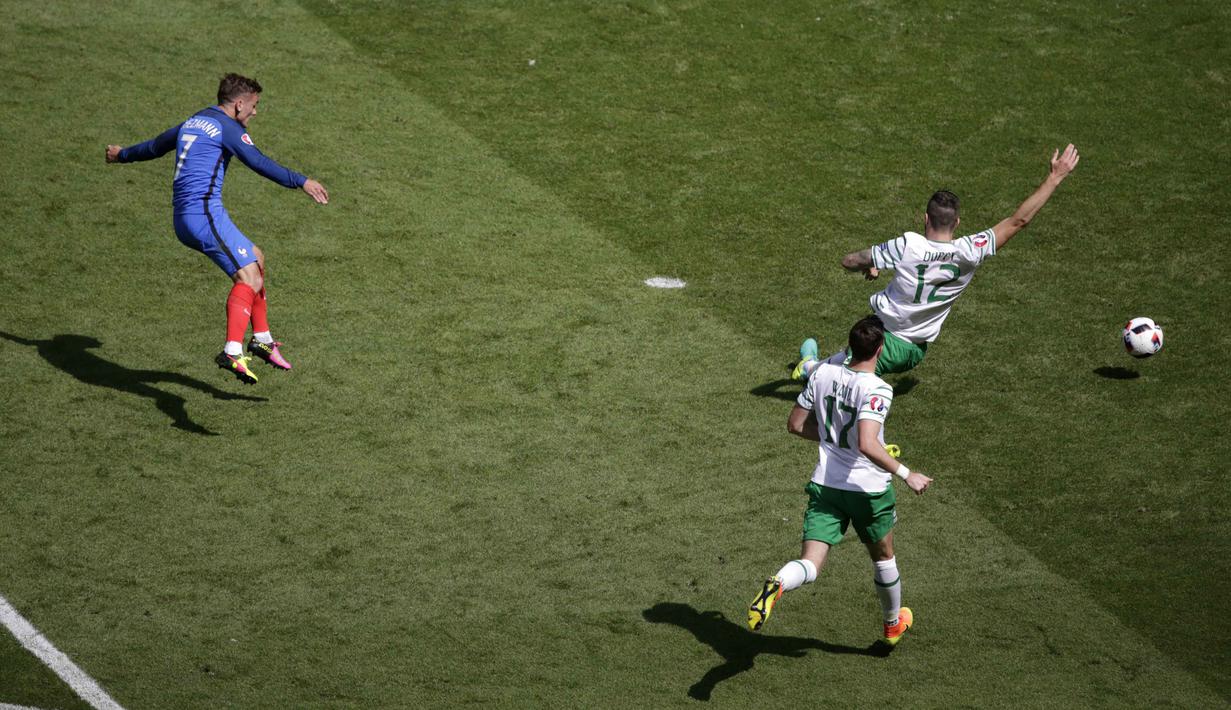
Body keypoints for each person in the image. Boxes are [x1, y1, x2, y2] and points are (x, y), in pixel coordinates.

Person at [106, 73, 329, 384]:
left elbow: (156, 146)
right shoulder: (228, 128)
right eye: (254, 105)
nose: (255, 112)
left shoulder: (195, 120)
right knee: (248, 278)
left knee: (256, 257)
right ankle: (232, 350)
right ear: (238, 105)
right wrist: (301, 181)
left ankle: (262, 339)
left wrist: (122, 155)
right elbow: (259, 162)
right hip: (203, 215)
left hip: (191, 215)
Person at [793, 144, 1080, 380]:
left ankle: (811, 371)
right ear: (957, 222)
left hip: (888, 341)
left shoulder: (908, 245)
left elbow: (849, 261)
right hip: (914, 349)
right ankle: (814, 365)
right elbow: (1018, 220)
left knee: (834, 383)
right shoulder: (971, 251)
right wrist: (1055, 177)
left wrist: (869, 262)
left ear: (925, 218)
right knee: (849, 357)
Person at [748, 315, 933, 647]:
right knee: (883, 556)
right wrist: (908, 474)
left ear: (850, 346)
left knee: (811, 563)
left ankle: (780, 581)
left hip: (827, 485)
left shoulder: (821, 374)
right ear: (880, 349)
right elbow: (867, 444)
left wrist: (833, 439)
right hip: (867, 490)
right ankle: (892, 625)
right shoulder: (878, 388)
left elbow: (795, 425)